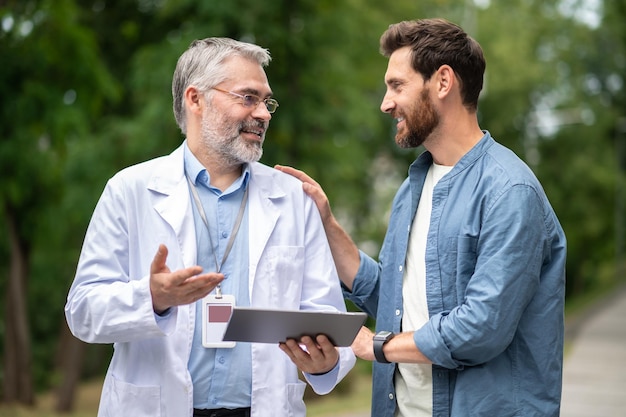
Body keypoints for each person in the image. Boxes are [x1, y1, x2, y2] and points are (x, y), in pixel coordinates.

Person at [277, 18, 566, 417]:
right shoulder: (413, 186)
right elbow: (396, 300)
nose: (385, 102)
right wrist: (326, 222)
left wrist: (376, 346)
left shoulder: (510, 191)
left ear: (443, 82)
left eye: (397, 85)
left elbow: (482, 327)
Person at [65, 37, 355, 417]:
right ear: (195, 99)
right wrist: (152, 299)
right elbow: (83, 312)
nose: (264, 113)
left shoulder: (293, 199)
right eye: (248, 98)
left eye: (266, 101)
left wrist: (326, 364)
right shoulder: (130, 190)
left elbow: (327, 317)